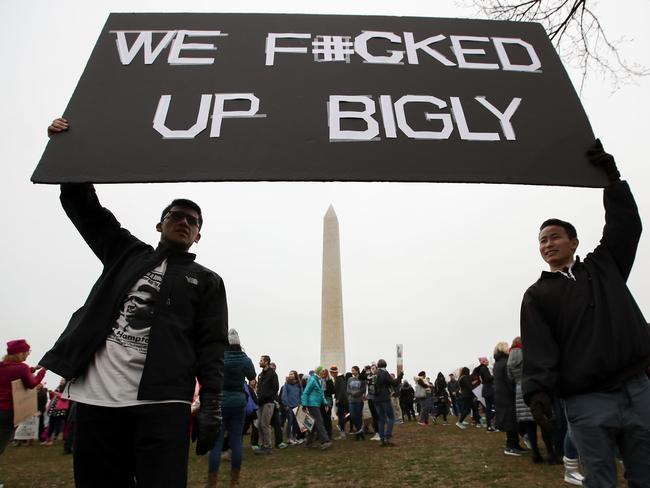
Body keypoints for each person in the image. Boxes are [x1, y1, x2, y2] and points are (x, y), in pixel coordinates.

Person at [41, 118, 228, 488]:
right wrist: (69, 148)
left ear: (198, 235)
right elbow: (85, 207)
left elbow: (211, 347)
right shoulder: (125, 252)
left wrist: (210, 405)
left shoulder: (208, 281)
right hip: (97, 398)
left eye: (192, 221)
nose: (183, 222)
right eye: (175, 215)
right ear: (159, 225)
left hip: (164, 402)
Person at [521, 140, 650, 486]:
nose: (547, 244)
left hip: (638, 390)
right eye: (542, 241)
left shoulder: (604, 266)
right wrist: (537, 394)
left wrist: (613, 180)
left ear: (574, 242)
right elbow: (539, 351)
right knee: (600, 479)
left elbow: (626, 227)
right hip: (587, 401)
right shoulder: (537, 295)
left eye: (554, 237)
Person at [206, 329, 255, 488]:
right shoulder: (244, 359)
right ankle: (234, 482)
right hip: (238, 401)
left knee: (217, 443)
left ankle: (212, 482)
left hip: (221, 401)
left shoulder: (220, 357)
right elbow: (252, 376)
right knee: (236, 442)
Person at [508, 336, 555, 463]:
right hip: (531, 388)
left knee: (530, 425)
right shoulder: (527, 354)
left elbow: (510, 377)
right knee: (543, 420)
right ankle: (551, 452)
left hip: (519, 391)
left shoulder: (510, 358)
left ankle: (536, 454)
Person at [0, 339, 46, 455]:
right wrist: (43, 371)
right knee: (3, 440)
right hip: (10, 411)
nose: (28, 354)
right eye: (27, 352)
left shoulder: (2, 366)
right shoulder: (22, 367)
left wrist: (33, 369)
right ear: (20, 353)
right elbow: (32, 384)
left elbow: (14, 372)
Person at [492, 341, 522, 456]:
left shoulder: (497, 362)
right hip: (507, 394)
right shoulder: (505, 362)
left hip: (500, 394)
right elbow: (509, 379)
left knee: (511, 420)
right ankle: (510, 446)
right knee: (511, 420)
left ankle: (515, 444)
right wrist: (514, 391)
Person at [373, 359, 403, 446]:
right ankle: (388, 436)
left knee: (381, 419)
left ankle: (382, 439)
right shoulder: (385, 373)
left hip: (376, 399)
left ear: (378, 365)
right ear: (385, 365)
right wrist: (400, 376)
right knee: (391, 417)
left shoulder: (375, 373)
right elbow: (394, 383)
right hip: (384, 398)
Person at [300, 367, 331, 450]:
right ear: (318, 371)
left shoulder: (319, 380)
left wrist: (325, 403)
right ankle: (325, 441)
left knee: (312, 424)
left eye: (324, 371)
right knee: (319, 421)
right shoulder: (312, 380)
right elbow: (306, 392)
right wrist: (304, 405)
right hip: (311, 404)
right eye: (322, 371)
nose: (324, 372)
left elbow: (321, 394)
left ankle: (308, 444)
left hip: (316, 404)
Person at [255, 355, 278, 455]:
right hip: (260, 403)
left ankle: (267, 447)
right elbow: (259, 388)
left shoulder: (272, 374)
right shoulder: (260, 375)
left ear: (266, 362)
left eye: (261, 361)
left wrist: (267, 396)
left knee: (265, 424)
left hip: (268, 403)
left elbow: (275, 388)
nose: (259, 362)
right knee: (259, 424)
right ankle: (262, 445)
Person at [281, 370, 302, 445]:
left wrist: (300, 404)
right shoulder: (287, 384)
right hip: (289, 406)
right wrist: (286, 404)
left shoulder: (298, 384)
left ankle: (294, 437)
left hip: (297, 406)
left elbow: (301, 395)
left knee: (296, 422)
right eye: (289, 374)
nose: (290, 375)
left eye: (292, 374)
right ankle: (288, 439)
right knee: (289, 422)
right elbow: (284, 394)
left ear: (295, 375)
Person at [474, 357, 495, 431]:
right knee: (494, 407)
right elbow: (488, 378)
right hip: (489, 390)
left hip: (486, 390)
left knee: (489, 409)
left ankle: (489, 426)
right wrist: (495, 375)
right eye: (486, 360)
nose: (488, 361)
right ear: (483, 362)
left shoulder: (482, 368)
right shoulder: (484, 368)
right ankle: (490, 425)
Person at [346, 366, 366, 440]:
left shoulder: (361, 379)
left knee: (358, 416)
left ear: (357, 371)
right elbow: (347, 389)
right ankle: (360, 431)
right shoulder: (349, 379)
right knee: (352, 416)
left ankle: (358, 433)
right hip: (351, 400)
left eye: (353, 370)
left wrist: (357, 392)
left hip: (359, 400)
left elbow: (364, 389)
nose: (352, 372)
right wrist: (352, 393)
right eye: (351, 370)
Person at [330, 365, 349, 439]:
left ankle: (342, 433)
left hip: (341, 401)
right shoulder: (338, 379)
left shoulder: (338, 379)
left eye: (331, 372)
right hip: (342, 400)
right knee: (341, 416)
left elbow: (341, 390)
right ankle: (342, 432)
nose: (331, 374)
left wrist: (338, 399)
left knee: (341, 417)